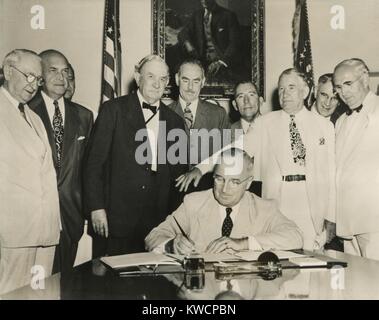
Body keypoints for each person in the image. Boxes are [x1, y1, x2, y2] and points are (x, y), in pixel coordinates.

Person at [176, 68, 336, 251]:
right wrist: (201, 168)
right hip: (277, 201)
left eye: (291, 87)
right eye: (281, 89)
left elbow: (332, 174)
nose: (285, 94)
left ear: (306, 91)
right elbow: (233, 150)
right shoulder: (265, 123)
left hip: (312, 206)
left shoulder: (324, 126)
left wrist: (332, 217)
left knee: (311, 265)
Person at [83, 54, 188, 256]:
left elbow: (178, 177)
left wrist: (174, 223)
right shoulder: (113, 110)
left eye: (163, 79)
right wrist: (96, 208)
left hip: (159, 223)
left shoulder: (175, 121)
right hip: (116, 218)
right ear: (137, 76)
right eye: (151, 76)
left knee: (157, 284)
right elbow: (93, 165)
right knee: (113, 283)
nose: (157, 84)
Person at [145, 148, 303, 254]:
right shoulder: (193, 203)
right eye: (219, 179)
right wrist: (170, 244)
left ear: (248, 183)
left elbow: (295, 236)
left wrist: (244, 243)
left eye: (234, 182)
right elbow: (153, 236)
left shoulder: (264, 208)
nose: (224, 189)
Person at [0, 49, 60, 294]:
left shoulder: (34, 117)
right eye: (28, 76)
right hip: (13, 231)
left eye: (38, 79)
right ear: (7, 71)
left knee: (41, 295)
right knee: (11, 294)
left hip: (45, 229)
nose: (33, 84)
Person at [28, 50, 93, 274]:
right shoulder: (25, 111)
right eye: (53, 71)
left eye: (65, 72)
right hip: (33, 218)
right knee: (32, 288)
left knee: (65, 284)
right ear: (40, 76)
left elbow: (89, 169)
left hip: (70, 217)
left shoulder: (85, 116)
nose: (61, 78)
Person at [334, 58, 379, 260]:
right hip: (346, 220)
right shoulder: (341, 121)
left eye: (348, 84)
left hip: (373, 218)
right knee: (356, 280)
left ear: (365, 78)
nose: (343, 92)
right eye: (338, 87)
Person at [169, 59, 230, 166]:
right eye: (185, 80)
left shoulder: (218, 114)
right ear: (177, 79)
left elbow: (227, 158)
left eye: (196, 81)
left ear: (203, 82)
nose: (190, 87)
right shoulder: (164, 114)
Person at [178, 0, 240, 81]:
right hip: (201, 60)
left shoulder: (228, 15)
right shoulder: (197, 15)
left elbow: (235, 43)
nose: (204, 0)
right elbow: (183, 33)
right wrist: (189, 45)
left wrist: (221, 62)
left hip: (222, 61)